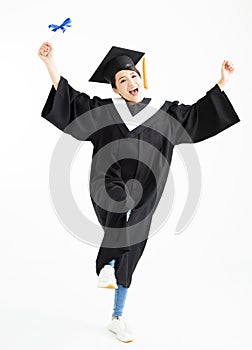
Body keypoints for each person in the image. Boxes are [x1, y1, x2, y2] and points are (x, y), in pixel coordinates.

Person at [38, 42, 240, 343]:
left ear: (141, 79)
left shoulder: (165, 113)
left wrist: (222, 83)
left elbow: (198, 114)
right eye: (122, 80)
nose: (131, 82)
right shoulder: (103, 112)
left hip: (148, 186)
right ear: (116, 89)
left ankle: (117, 317)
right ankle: (105, 263)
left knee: (132, 247)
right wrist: (49, 61)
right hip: (108, 180)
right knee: (119, 205)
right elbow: (72, 100)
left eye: (133, 76)